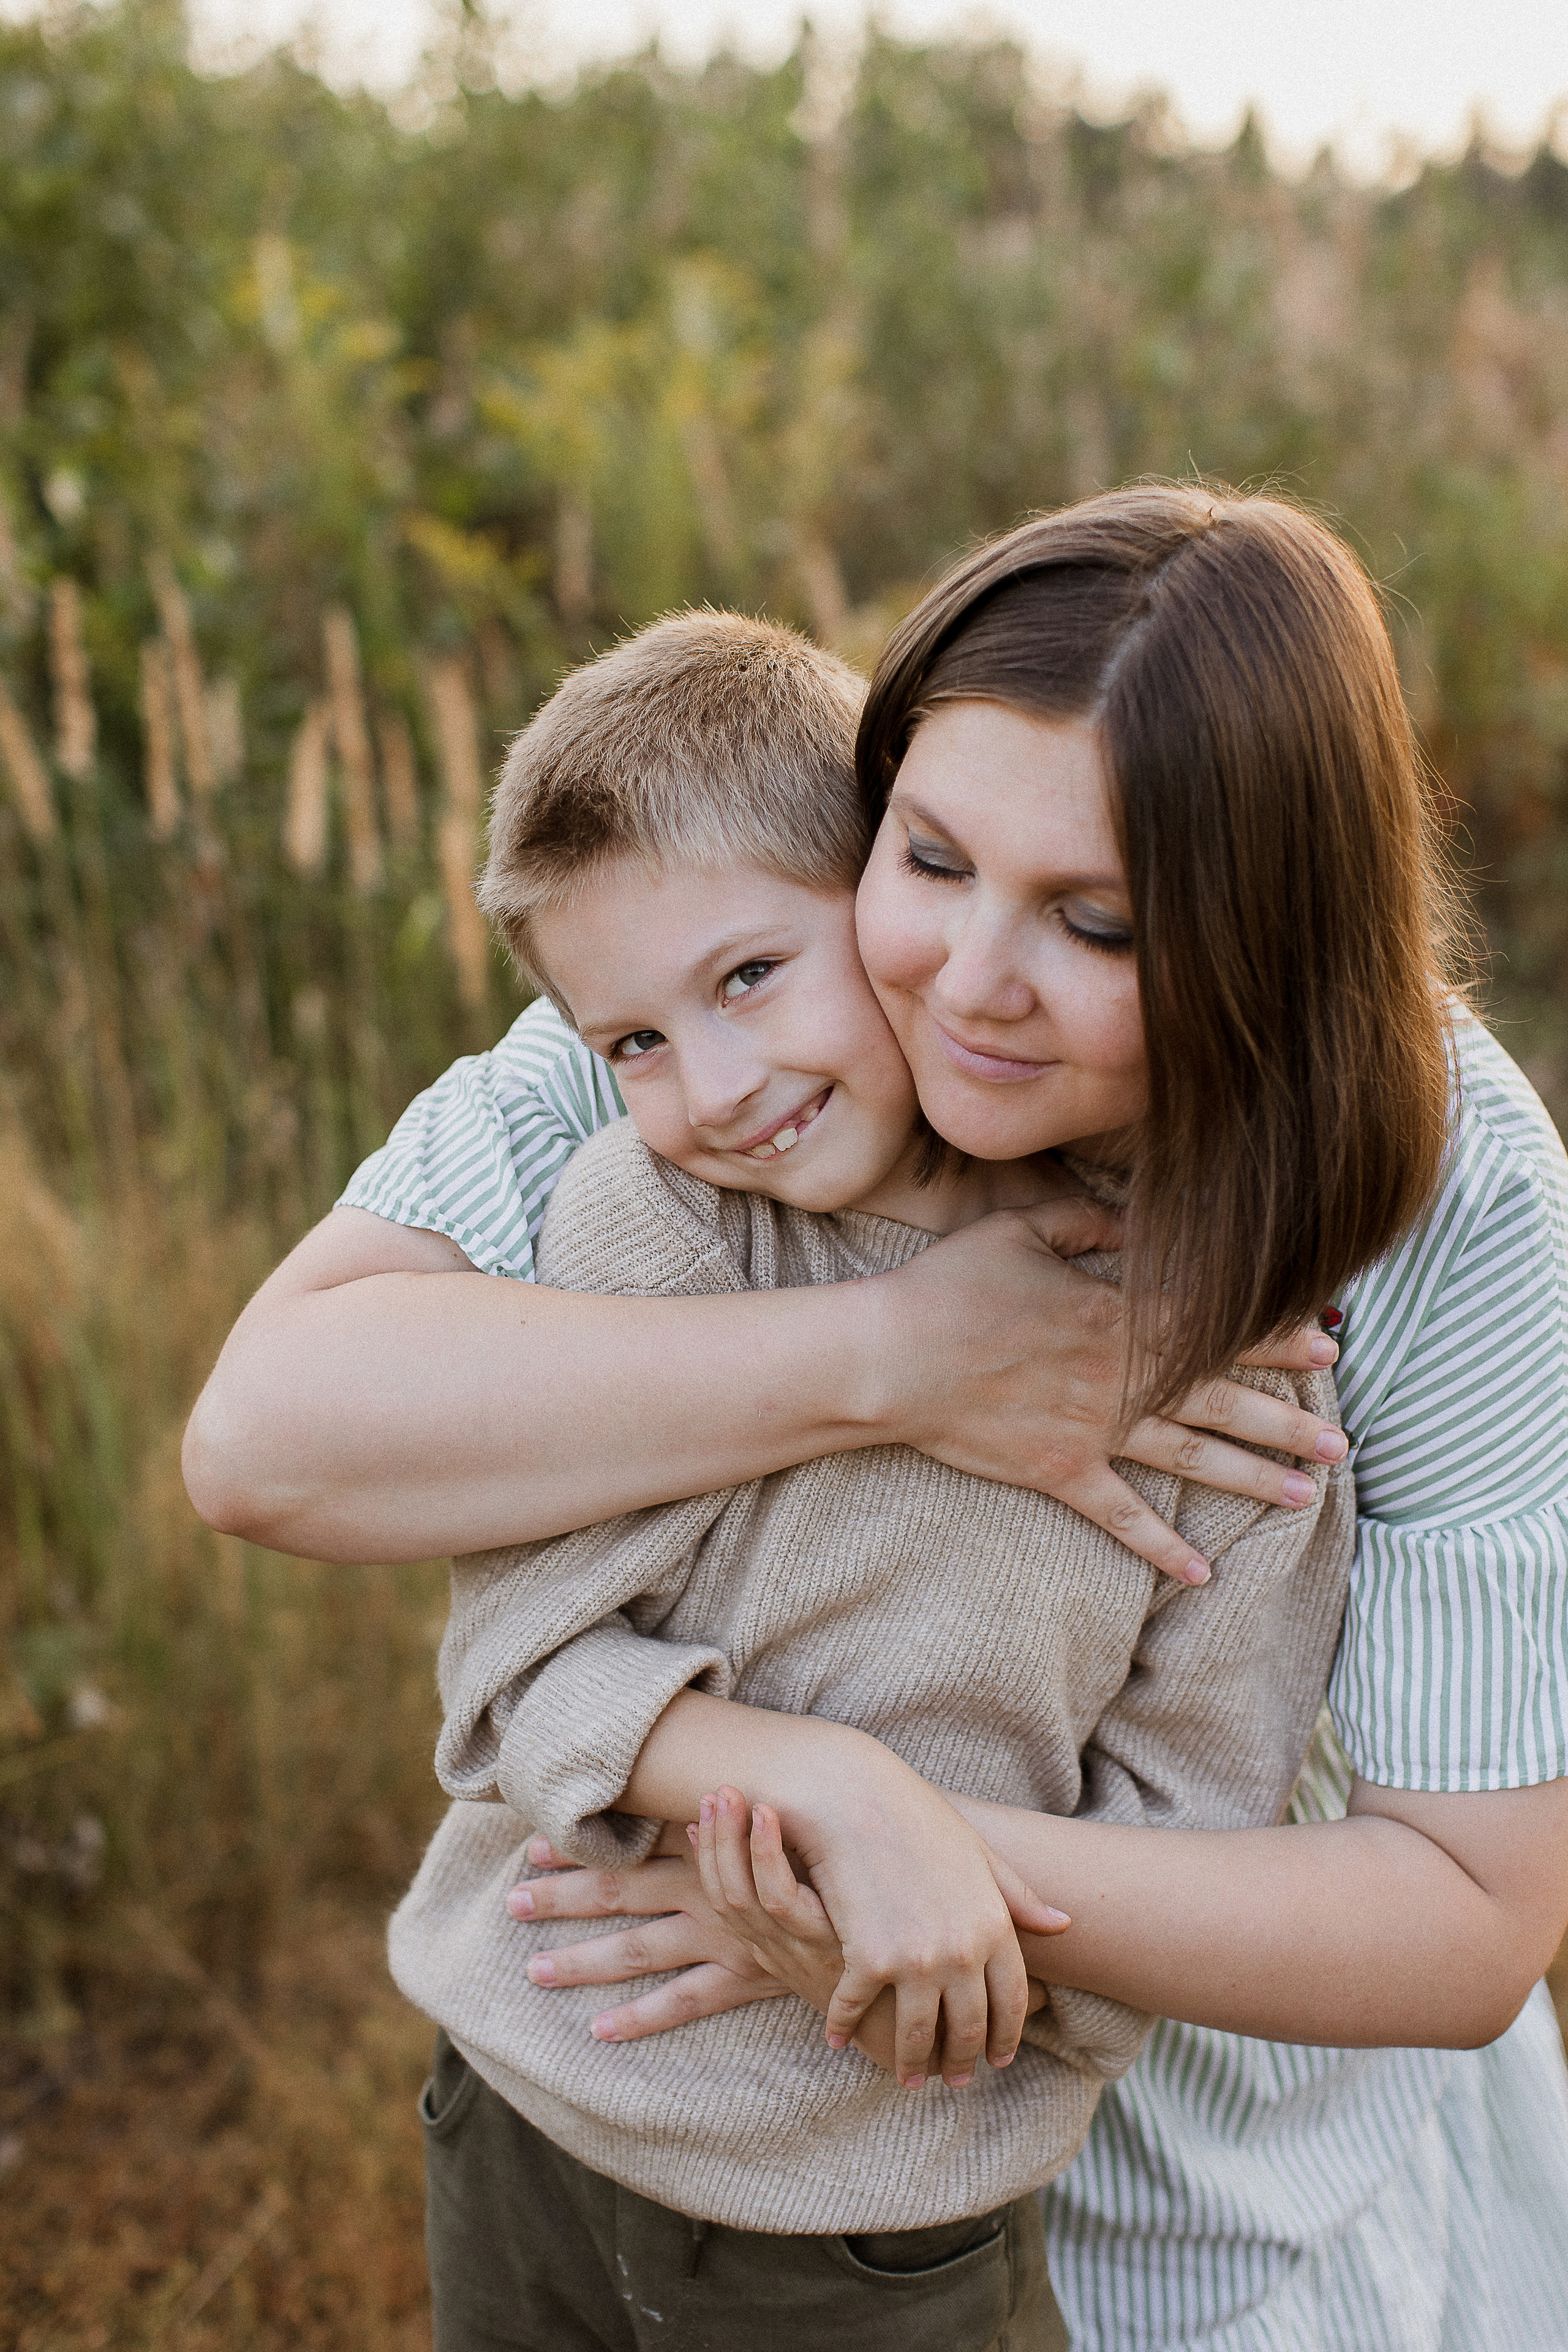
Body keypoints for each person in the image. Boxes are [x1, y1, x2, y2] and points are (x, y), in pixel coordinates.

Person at [183, 486, 1568, 2350]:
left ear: (1264, 944)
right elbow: (269, 1439)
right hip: (651, 2090)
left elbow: (1466, 1920)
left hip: (1221, 2175)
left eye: (1097, 923)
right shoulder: (736, 1002)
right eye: (928, 858)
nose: (965, 983)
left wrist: (886, 1856)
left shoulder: (1443, 1206)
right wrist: (902, 1355)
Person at [390, 605, 1355, 2347]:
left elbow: (1193, 1834)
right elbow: (506, 1666)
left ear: (876, 895)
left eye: (752, 977)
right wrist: (816, 1792)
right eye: (634, 1044)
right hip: (522, 2100)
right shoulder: (645, 1220)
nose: (718, 1087)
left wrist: (914, 1951)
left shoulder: (1227, 1372)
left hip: (874, 2212)